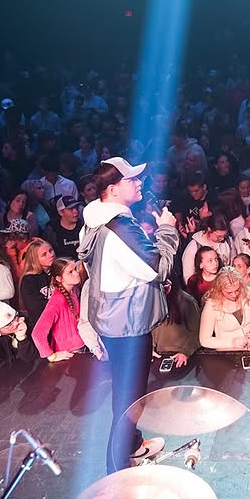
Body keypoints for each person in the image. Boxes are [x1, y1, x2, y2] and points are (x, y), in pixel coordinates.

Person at [78, 157, 179, 458]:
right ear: (112, 189)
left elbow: (118, 268)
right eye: (131, 180)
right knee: (129, 399)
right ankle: (117, 469)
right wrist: (167, 230)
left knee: (124, 391)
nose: (139, 183)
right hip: (128, 324)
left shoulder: (94, 219)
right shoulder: (120, 226)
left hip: (111, 316)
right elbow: (157, 267)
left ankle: (132, 445)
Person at [31, 258, 87, 361]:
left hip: (80, 345)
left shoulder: (73, 290)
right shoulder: (57, 300)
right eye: (70, 272)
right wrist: (51, 356)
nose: (76, 273)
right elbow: (37, 333)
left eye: (75, 269)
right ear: (59, 279)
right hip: (69, 352)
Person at [199, 267, 250, 351]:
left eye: (237, 290)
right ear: (220, 289)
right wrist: (231, 342)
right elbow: (204, 340)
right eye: (229, 292)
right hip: (227, 354)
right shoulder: (212, 305)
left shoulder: (248, 292)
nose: (234, 295)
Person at [0, 298, 38, 370]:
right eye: (8, 324)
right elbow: (5, 369)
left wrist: (27, 325)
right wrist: (21, 339)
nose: (16, 323)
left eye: (15, 317)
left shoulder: (19, 318)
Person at [16, 238, 56, 326]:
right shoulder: (29, 280)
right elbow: (36, 308)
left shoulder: (59, 271)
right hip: (42, 325)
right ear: (35, 259)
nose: (51, 255)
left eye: (51, 250)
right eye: (44, 254)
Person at [47, 195, 84, 260]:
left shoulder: (83, 226)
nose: (76, 211)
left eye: (76, 207)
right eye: (71, 209)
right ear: (61, 212)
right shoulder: (52, 229)